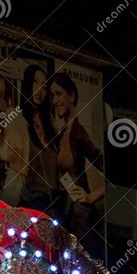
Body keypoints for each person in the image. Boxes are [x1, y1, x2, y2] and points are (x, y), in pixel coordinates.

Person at [49, 72, 104, 249]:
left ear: (71, 96)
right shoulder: (63, 132)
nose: (54, 100)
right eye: (52, 95)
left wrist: (91, 196)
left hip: (80, 214)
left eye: (59, 94)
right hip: (63, 211)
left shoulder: (78, 133)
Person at [0, 64, 59, 216]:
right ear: (27, 84)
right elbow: (5, 153)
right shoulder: (17, 119)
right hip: (26, 200)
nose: (40, 89)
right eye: (35, 82)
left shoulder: (50, 122)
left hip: (51, 202)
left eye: (44, 86)